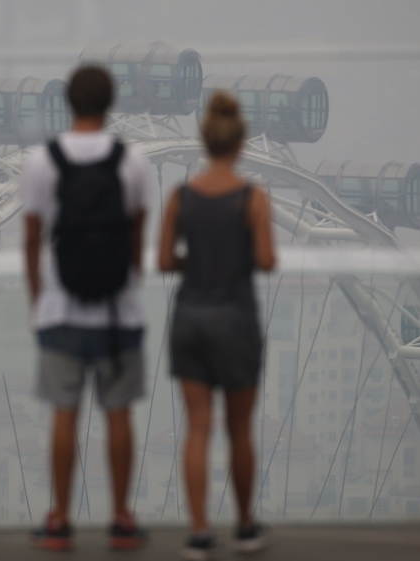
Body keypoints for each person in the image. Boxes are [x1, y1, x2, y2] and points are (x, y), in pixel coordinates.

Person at [20, 65, 152, 551]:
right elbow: (139, 233)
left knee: (64, 413)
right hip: (120, 314)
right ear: (110, 102)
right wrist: (128, 283)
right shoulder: (132, 161)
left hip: (61, 309)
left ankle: (58, 519)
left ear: (68, 103)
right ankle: (121, 519)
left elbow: (31, 238)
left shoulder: (42, 161)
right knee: (118, 413)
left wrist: (40, 298)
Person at [158, 91, 275, 560]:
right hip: (235, 319)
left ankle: (200, 532)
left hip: (189, 318)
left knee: (197, 428)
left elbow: (165, 258)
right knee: (239, 429)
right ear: (240, 145)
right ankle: (245, 527)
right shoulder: (253, 198)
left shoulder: (179, 197)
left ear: (205, 144)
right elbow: (266, 259)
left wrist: (198, 259)